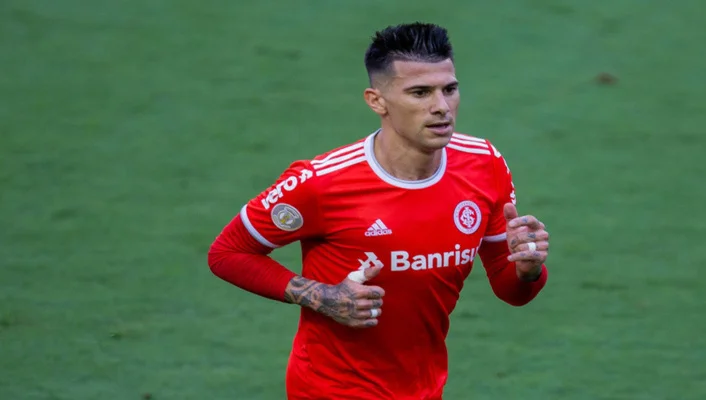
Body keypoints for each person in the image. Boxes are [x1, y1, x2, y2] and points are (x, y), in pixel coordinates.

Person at [207, 22, 550, 400]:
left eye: (449, 89)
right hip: (332, 390)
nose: (441, 107)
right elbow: (228, 252)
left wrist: (528, 269)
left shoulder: (484, 164)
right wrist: (321, 296)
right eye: (420, 92)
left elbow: (512, 290)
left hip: (424, 387)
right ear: (377, 101)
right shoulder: (322, 182)